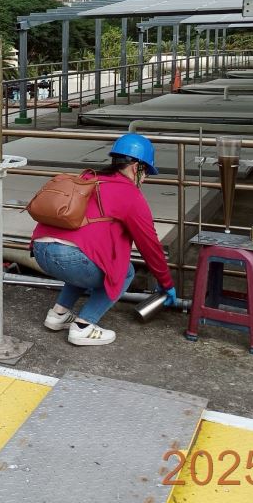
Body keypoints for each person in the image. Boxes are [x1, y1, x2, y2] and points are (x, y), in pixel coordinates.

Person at [30, 133, 176, 346]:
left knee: (89, 259)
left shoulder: (89, 178)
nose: (145, 178)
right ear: (136, 167)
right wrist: (166, 283)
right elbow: (150, 245)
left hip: (40, 250)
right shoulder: (130, 194)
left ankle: (58, 314)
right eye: (146, 172)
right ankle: (83, 326)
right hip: (70, 258)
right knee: (124, 271)